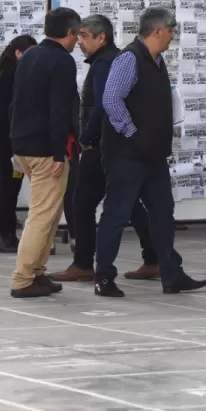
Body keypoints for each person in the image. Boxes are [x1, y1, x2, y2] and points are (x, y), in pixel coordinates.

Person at [94, 7, 206, 297]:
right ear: (158, 30)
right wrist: (132, 133)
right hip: (127, 156)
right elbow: (111, 99)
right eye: (171, 31)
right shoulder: (129, 59)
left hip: (153, 156)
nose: (172, 38)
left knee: (163, 214)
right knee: (116, 216)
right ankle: (104, 277)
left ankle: (171, 274)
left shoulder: (157, 61)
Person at [49, 15, 160, 282]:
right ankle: (154, 258)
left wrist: (87, 137)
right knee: (131, 204)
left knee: (82, 204)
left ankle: (84, 263)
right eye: (79, 36)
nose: (79, 41)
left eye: (85, 36)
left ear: (102, 37)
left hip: (100, 147)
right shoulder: (112, 60)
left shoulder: (105, 64)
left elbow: (103, 105)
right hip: (113, 146)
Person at [8, 9, 81, 298]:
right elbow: (59, 110)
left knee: (50, 212)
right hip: (46, 150)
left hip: (23, 144)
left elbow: (16, 103)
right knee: (41, 214)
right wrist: (57, 153)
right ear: (71, 33)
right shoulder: (62, 61)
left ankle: (37, 272)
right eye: (78, 34)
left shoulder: (30, 56)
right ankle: (23, 278)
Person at [0, 35, 36, 253]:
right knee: (7, 190)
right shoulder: (11, 74)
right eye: (30, 54)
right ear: (18, 53)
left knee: (11, 189)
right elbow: (10, 112)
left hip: (9, 141)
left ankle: (8, 234)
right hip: (5, 142)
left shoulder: (11, 72)